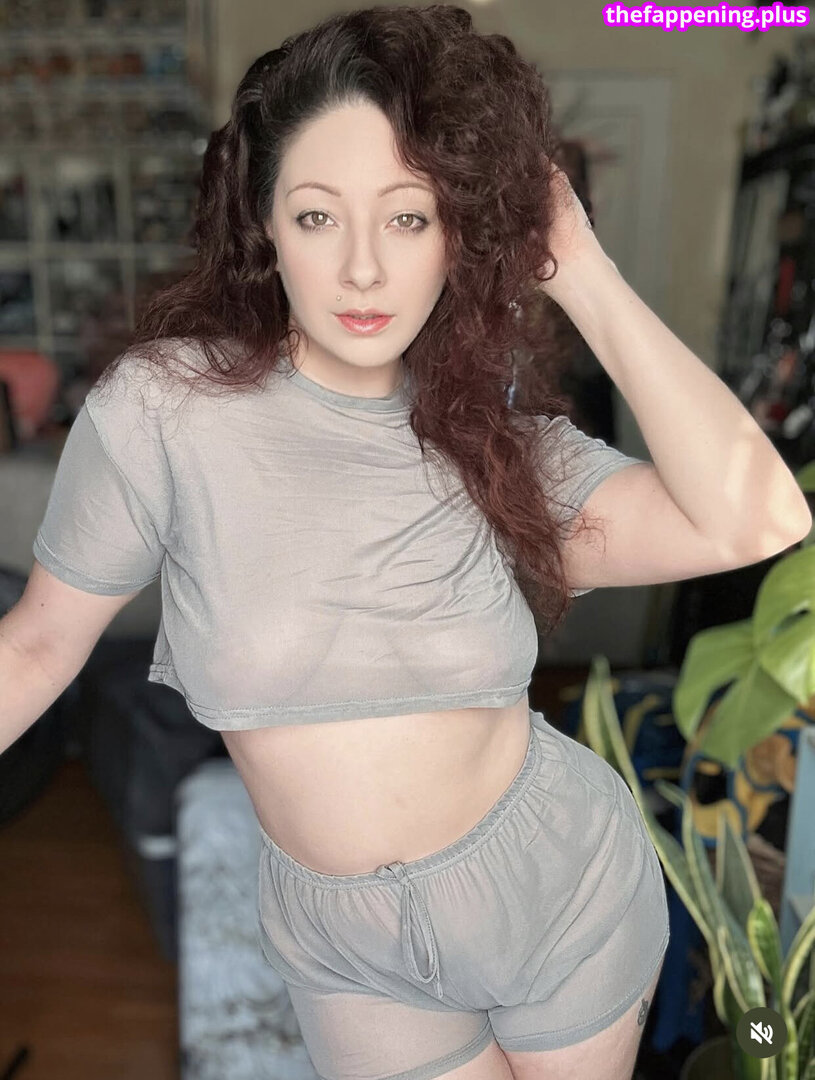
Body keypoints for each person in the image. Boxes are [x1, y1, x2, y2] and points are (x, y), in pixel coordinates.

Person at [2, 6, 810, 1080]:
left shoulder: (497, 445)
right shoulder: (162, 414)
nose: (362, 271)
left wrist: (578, 266)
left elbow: (758, 517)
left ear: (458, 233)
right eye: (317, 216)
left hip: (557, 892)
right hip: (346, 949)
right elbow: (35, 647)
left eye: (408, 217)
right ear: (264, 224)